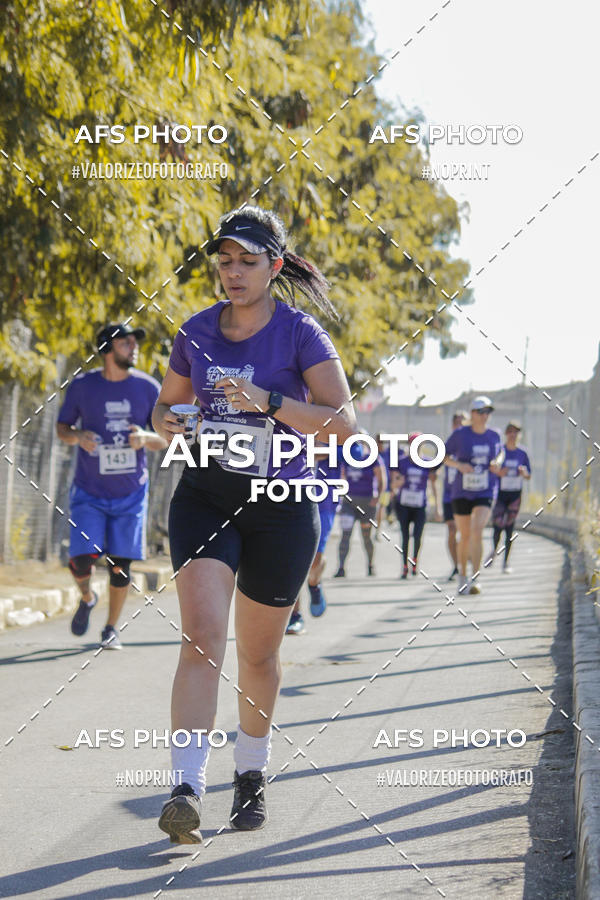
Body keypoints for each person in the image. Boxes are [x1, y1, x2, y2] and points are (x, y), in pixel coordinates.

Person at [152, 205, 356, 843]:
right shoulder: (195, 331)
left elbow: (343, 425)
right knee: (201, 639)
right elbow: (165, 405)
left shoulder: (300, 334)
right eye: (224, 261)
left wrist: (269, 401)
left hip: (283, 505)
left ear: (274, 265)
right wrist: (168, 420)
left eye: (247, 261)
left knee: (259, 655)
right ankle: (186, 789)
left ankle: (250, 771)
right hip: (206, 497)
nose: (233, 272)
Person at [56, 323, 166, 649]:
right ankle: (87, 598)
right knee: (81, 560)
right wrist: (78, 436)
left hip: (131, 493)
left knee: (120, 565)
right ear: (106, 348)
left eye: (135, 342)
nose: (134, 347)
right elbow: (62, 428)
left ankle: (111, 628)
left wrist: (145, 437)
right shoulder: (82, 386)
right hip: (89, 491)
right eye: (125, 342)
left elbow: (167, 437)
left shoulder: (147, 388)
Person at [444, 396, 504, 595]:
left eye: (488, 412)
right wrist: (459, 465)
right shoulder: (460, 434)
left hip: (485, 489)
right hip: (461, 491)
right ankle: (462, 577)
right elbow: (443, 456)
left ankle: (475, 578)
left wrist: (497, 462)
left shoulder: (494, 435)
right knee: (465, 535)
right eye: (481, 411)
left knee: (477, 531)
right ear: (472, 414)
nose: (485, 415)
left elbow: (500, 453)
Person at [334, 435, 386, 578]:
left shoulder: (373, 458)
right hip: (349, 502)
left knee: (366, 536)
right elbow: (341, 476)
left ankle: (370, 565)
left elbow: (381, 479)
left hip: (367, 503)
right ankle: (341, 567)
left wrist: (377, 498)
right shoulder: (347, 458)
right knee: (345, 534)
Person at [392, 433, 439, 578]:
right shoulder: (401, 461)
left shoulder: (428, 462)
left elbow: (433, 484)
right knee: (405, 536)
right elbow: (393, 483)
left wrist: (437, 508)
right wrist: (398, 482)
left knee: (418, 536)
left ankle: (414, 562)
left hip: (420, 504)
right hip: (403, 504)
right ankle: (404, 566)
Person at [488, 421, 531, 572]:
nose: (513, 435)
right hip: (501, 493)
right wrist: (500, 472)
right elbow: (492, 468)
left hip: (515, 494)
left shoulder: (522, 453)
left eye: (516, 432)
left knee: (509, 528)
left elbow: (528, 475)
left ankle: (506, 562)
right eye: (510, 431)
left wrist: (524, 473)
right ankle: (494, 550)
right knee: (497, 526)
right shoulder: (501, 451)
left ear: (519, 435)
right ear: (506, 434)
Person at [442, 411, 468, 580]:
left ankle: (465, 561)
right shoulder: (449, 445)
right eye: (457, 422)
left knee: (465, 533)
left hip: (466, 495)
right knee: (452, 531)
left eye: (462, 423)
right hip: (449, 496)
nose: (459, 426)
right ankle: (456, 566)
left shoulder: (469, 446)